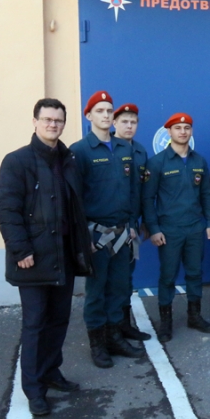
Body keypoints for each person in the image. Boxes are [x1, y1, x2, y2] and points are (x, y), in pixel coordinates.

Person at [0, 98, 94, 417]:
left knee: (59, 319)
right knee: (35, 324)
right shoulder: (17, 161)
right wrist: (21, 249)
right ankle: (34, 389)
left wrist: (83, 243)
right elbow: (7, 209)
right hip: (34, 258)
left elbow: (75, 207)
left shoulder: (68, 159)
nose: (53, 125)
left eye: (58, 120)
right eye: (47, 119)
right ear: (35, 122)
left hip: (64, 254)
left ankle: (52, 372)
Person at [70, 91, 144, 368]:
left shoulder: (125, 149)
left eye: (109, 110)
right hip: (95, 234)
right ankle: (98, 344)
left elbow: (133, 189)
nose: (106, 115)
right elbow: (74, 198)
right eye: (99, 110)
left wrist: (133, 224)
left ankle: (115, 337)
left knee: (119, 287)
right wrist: (82, 237)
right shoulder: (79, 151)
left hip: (123, 231)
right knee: (96, 290)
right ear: (88, 115)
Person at [142, 113, 210, 343]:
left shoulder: (199, 161)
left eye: (187, 127)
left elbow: (206, 193)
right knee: (168, 276)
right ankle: (165, 323)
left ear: (191, 131)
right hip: (170, 230)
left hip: (195, 228)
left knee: (195, 273)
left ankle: (194, 316)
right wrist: (154, 229)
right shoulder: (157, 163)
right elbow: (147, 199)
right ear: (169, 132)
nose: (183, 131)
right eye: (178, 128)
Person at [111, 103, 150, 341]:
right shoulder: (109, 149)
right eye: (124, 121)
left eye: (133, 122)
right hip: (110, 227)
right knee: (110, 282)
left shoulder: (140, 152)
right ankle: (110, 330)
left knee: (126, 278)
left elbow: (143, 190)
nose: (129, 126)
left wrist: (143, 220)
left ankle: (124, 325)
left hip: (132, 227)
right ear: (114, 123)